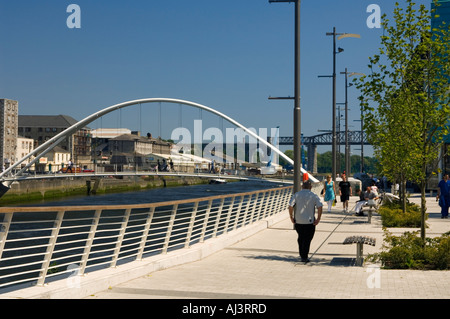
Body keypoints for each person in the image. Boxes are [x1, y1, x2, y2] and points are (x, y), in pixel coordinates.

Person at [288, 180, 323, 263]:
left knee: (301, 237)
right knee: (307, 239)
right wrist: (318, 218)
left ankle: (302, 254)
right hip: (309, 222)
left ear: (302, 186)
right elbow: (320, 207)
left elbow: (290, 206)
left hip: (298, 221)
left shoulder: (296, 195)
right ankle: (304, 256)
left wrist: (291, 216)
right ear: (310, 187)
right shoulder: (313, 195)